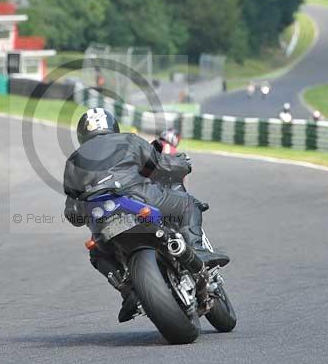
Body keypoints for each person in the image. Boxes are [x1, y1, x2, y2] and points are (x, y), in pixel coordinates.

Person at [62, 108, 229, 322]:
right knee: (187, 205)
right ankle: (197, 249)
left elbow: (72, 212)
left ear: (82, 135)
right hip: (136, 197)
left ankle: (128, 293)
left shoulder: (73, 161)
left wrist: (87, 212)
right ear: (113, 126)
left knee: (97, 253)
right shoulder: (128, 140)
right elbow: (159, 164)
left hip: (100, 217)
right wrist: (182, 163)